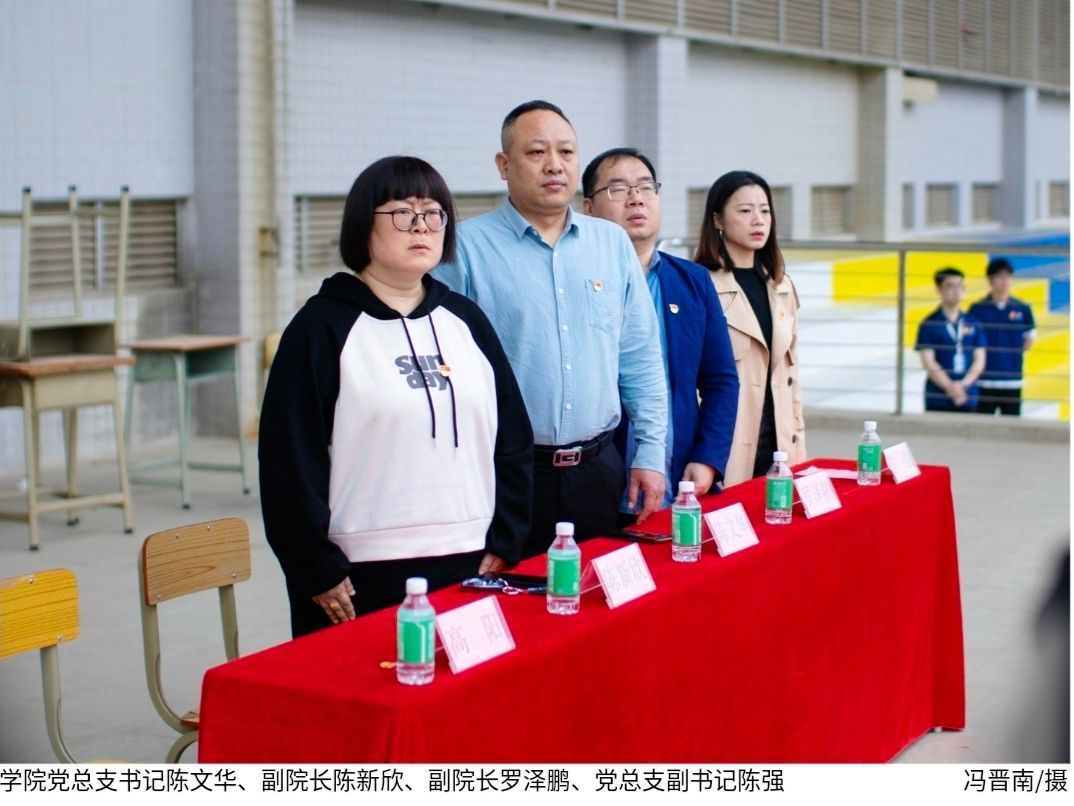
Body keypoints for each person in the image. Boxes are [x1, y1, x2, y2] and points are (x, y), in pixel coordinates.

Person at [260, 156, 533, 638]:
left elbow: (512, 436)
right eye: (403, 213)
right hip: (357, 573)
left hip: (471, 556)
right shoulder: (321, 328)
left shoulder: (466, 320)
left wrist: (507, 535)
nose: (421, 226)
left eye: (434, 213)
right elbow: (288, 461)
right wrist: (314, 566)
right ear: (362, 224)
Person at [435, 101, 668, 558]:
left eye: (566, 151)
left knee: (600, 593)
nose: (554, 165)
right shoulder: (463, 250)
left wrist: (650, 452)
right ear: (504, 165)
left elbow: (640, 357)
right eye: (536, 152)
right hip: (508, 476)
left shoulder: (611, 242)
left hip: (599, 469)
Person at [581, 147, 739, 516]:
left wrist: (708, 457)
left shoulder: (692, 281)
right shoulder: (577, 281)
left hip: (679, 476)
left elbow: (721, 380)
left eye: (645, 187)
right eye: (617, 189)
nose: (636, 198)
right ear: (588, 208)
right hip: (598, 478)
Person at [693, 170, 806, 486]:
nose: (758, 220)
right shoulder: (699, 286)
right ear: (718, 219)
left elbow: (792, 379)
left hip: (781, 448)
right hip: (726, 450)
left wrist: (799, 449)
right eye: (745, 211)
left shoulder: (781, 286)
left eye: (765, 210)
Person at [968, 257, 1036, 416]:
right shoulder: (977, 309)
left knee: (1012, 426)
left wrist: (1011, 353)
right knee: (983, 425)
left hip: (1012, 380)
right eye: (1000, 276)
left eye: (1008, 276)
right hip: (985, 381)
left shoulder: (1022, 308)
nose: (1005, 280)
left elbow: (1030, 337)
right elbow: (971, 340)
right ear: (990, 280)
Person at [914, 267, 987, 413]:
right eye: (950, 286)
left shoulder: (973, 322)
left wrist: (963, 385)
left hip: (968, 394)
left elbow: (980, 360)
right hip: (938, 396)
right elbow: (928, 362)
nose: (956, 291)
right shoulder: (929, 324)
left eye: (960, 286)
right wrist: (951, 388)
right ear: (938, 289)